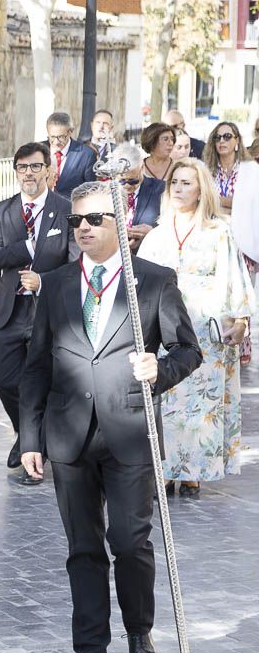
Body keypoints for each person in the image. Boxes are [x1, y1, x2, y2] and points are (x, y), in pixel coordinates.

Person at [19, 181, 201, 653]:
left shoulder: (154, 281)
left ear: (120, 223)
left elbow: (189, 351)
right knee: (82, 549)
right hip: (68, 436)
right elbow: (35, 366)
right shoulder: (54, 285)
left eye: (97, 218)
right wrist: (30, 436)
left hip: (130, 433)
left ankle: (140, 638)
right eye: (78, 219)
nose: (84, 227)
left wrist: (158, 369)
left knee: (129, 542)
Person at [138, 159, 254, 496]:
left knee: (201, 402)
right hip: (164, 325)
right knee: (168, 396)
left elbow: (235, 277)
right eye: (174, 182)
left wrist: (242, 321)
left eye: (187, 183)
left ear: (201, 189)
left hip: (206, 326)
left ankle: (192, 470)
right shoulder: (157, 233)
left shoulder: (219, 232)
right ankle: (165, 467)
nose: (178, 188)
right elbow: (139, 282)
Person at [0, 142, 77, 482]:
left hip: (46, 312)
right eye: (22, 167)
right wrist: (24, 248)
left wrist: (44, 281)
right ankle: (28, 434)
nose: (29, 173)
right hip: (10, 308)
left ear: (48, 169)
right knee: (1, 374)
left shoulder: (65, 210)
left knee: (39, 380)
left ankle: (31, 446)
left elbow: (75, 264)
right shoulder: (3, 210)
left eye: (35, 166)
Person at [108, 143, 163, 252]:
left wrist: (151, 234)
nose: (127, 186)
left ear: (142, 167)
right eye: (122, 181)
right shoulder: (106, 193)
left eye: (133, 180)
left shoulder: (161, 190)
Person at [202, 121, 257, 217]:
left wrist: (216, 200)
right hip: (214, 226)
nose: (221, 141)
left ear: (237, 140)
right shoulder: (206, 170)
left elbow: (250, 202)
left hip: (243, 225)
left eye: (227, 136)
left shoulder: (249, 169)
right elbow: (203, 200)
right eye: (217, 137)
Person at [46, 112, 97, 199]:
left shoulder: (86, 155)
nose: (56, 142)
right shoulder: (38, 151)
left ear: (70, 131)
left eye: (61, 137)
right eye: (52, 137)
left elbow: (91, 191)